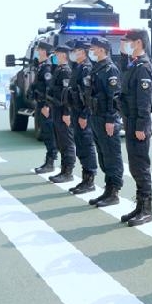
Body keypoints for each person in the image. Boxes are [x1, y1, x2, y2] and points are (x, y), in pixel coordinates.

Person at [118, 29, 152, 226]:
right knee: (135, 165)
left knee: (140, 166)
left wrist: (141, 124)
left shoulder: (143, 67)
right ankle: (140, 205)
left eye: (128, 41)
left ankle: (147, 208)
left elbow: (145, 100)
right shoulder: (133, 65)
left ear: (139, 43)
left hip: (138, 123)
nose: (124, 45)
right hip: (130, 120)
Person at [86, 36, 124, 208]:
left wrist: (110, 119)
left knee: (111, 155)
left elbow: (113, 97)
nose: (91, 51)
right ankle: (108, 189)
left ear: (101, 49)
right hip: (96, 116)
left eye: (93, 48)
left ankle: (114, 191)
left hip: (106, 118)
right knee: (102, 154)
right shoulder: (97, 68)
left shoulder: (110, 69)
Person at [66, 40, 100, 194]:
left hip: (83, 113)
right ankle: (85, 178)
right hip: (76, 111)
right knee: (80, 145)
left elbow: (88, 94)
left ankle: (90, 180)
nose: (73, 53)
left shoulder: (86, 68)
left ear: (84, 52)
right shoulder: (78, 67)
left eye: (77, 50)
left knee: (86, 145)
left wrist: (85, 114)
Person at [47, 44, 77, 183]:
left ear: (63, 55)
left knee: (66, 142)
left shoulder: (65, 71)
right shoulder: (59, 69)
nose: (54, 56)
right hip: (56, 109)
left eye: (57, 54)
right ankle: (63, 170)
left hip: (63, 111)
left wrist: (66, 112)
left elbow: (66, 95)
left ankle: (68, 171)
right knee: (60, 141)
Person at [33, 41, 59, 174]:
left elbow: (49, 88)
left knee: (49, 134)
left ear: (44, 51)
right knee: (45, 132)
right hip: (40, 104)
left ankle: (50, 162)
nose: (37, 51)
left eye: (38, 49)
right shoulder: (41, 66)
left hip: (45, 106)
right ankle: (49, 161)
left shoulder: (47, 68)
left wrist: (46, 105)